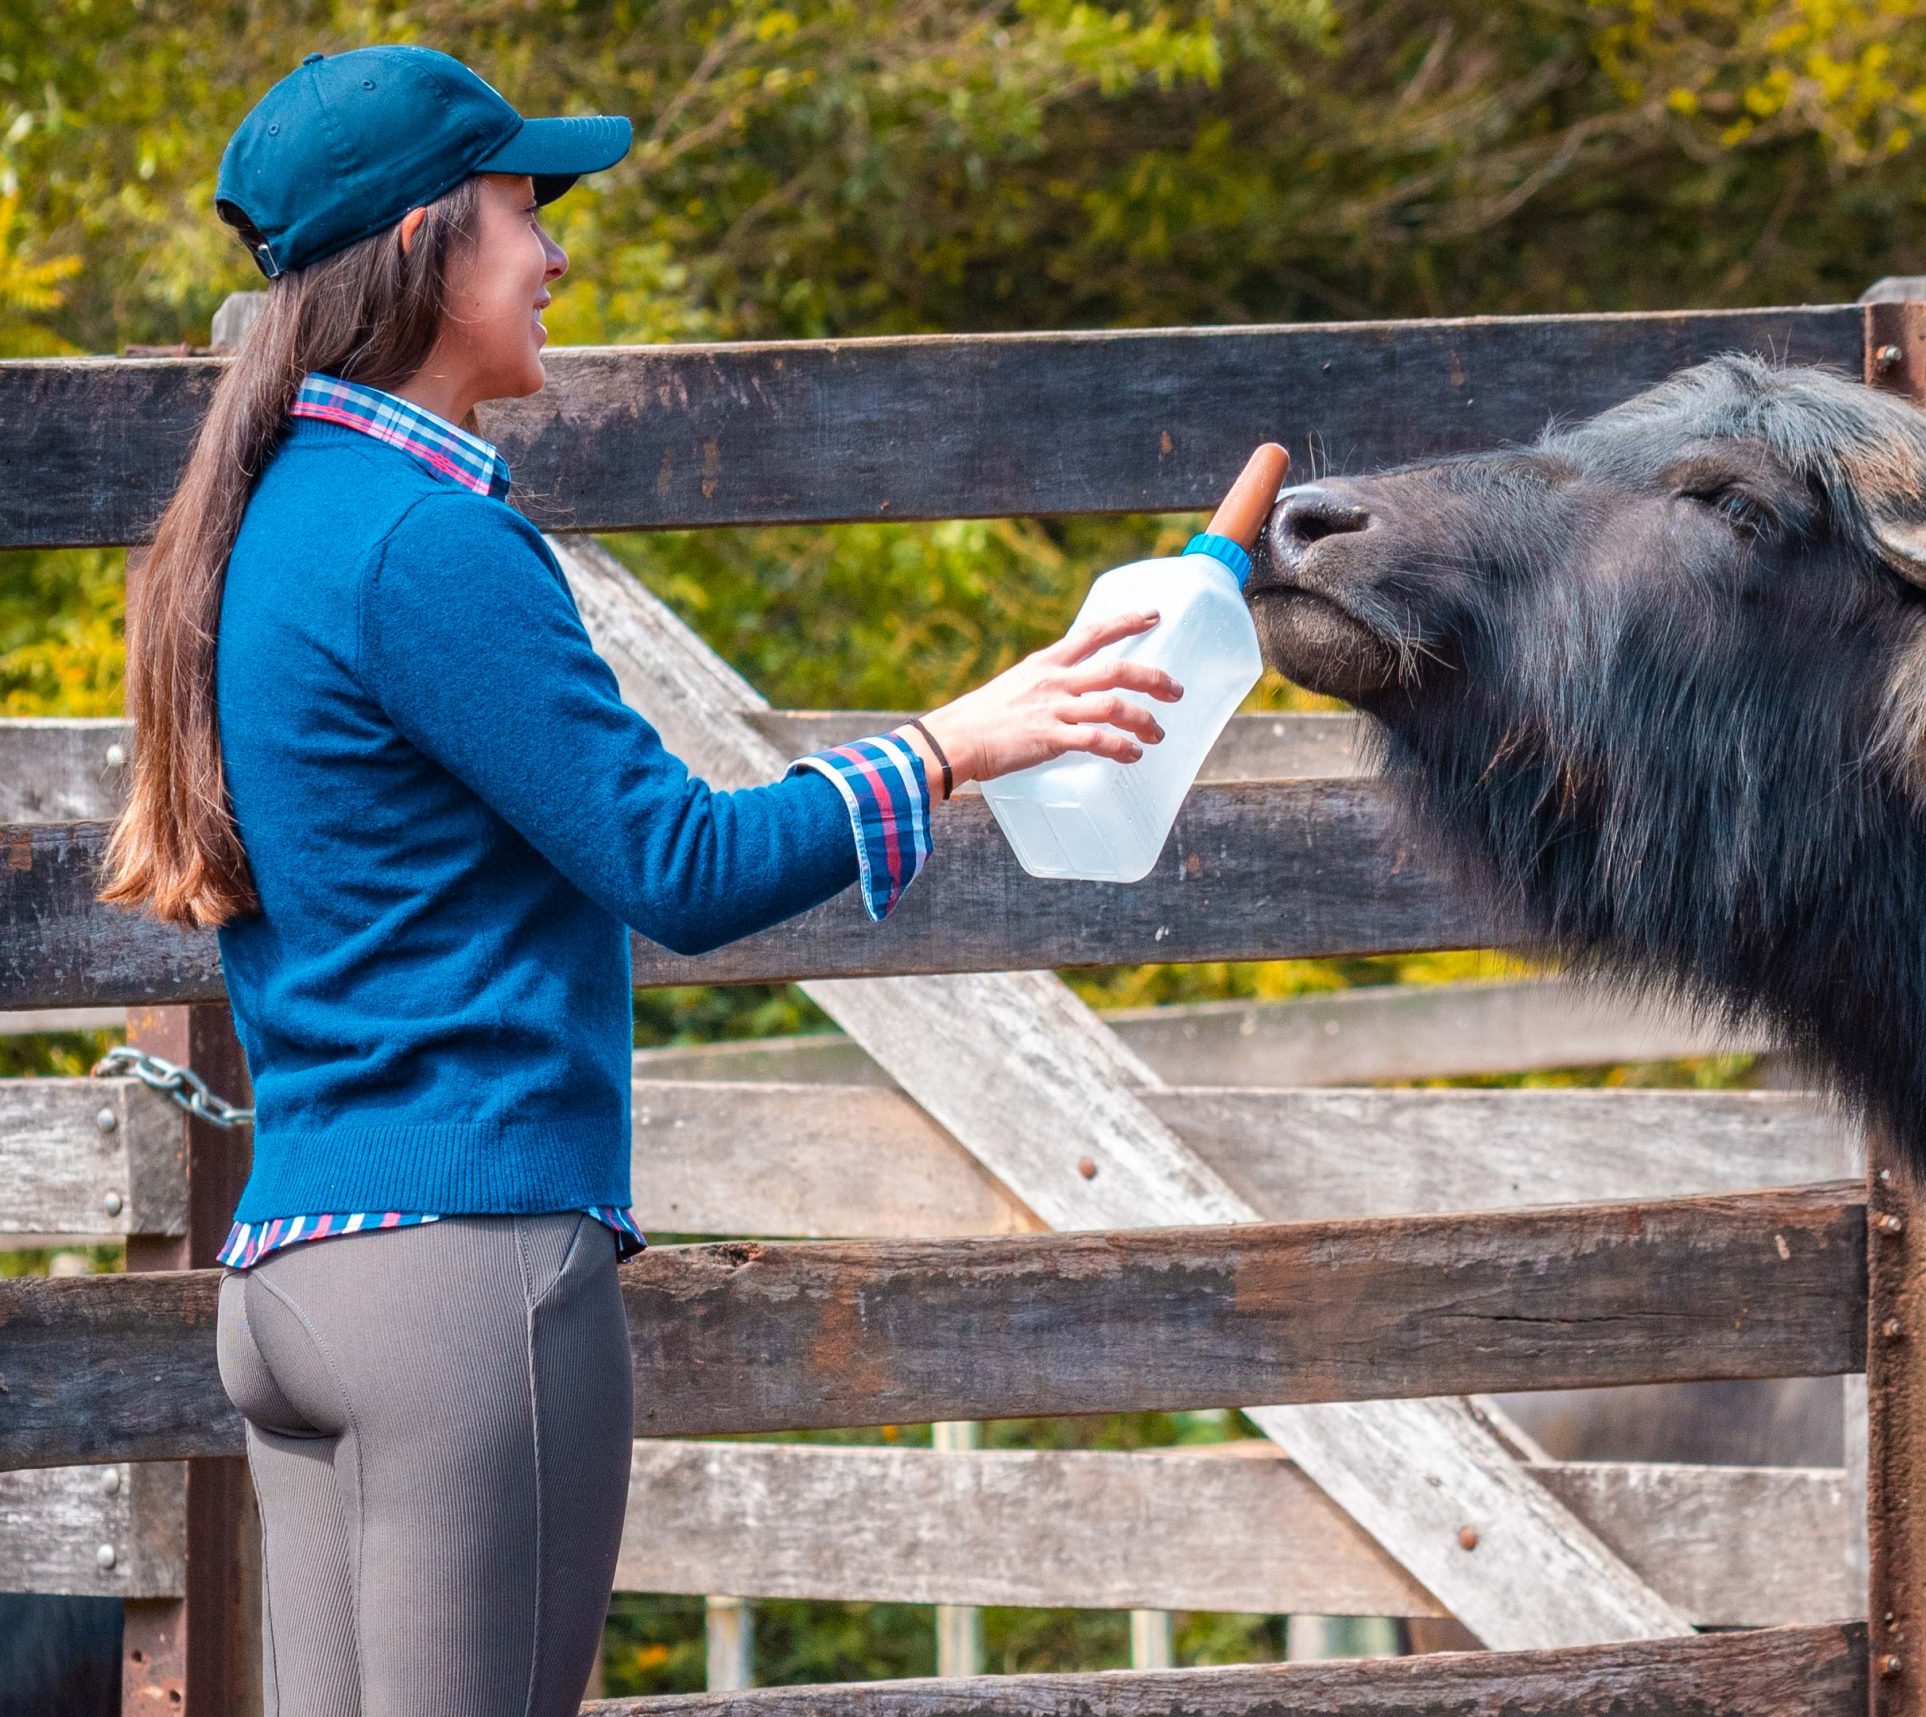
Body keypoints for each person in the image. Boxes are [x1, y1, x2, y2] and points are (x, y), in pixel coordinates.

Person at [99, 45, 1181, 1717]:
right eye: (525, 212)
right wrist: (953, 742)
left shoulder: (266, 523)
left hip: (297, 1278)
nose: (554, 255)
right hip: (457, 1285)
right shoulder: (419, 539)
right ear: (421, 247)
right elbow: (674, 861)